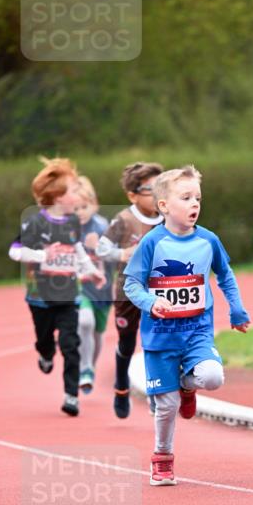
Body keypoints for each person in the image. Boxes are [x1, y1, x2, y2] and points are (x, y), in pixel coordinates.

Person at [123, 166, 250, 486]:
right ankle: (162, 458)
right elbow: (131, 285)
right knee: (165, 406)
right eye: (186, 197)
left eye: (198, 198)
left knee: (212, 377)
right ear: (164, 205)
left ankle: (188, 385)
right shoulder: (152, 243)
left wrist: (236, 309)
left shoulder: (208, 240)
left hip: (196, 331)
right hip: (160, 336)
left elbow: (225, 275)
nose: (195, 204)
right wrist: (152, 302)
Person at [8, 157, 103, 416]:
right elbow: (15, 251)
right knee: (45, 340)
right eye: (73, 190)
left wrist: (92, 271)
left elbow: (78, 249)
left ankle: (71, 395)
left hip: (68, 295)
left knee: (70, 344)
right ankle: (45, 353)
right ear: (58, 196)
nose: (77, 194)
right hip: (40, 297)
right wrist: (41, 256)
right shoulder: (35, 222)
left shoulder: (73, 222)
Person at [96, 161, 164, 418]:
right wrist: (123, 253)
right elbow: (101, 248)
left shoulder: (168, 218)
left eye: (161, 186)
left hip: (160, 291)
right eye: (150, 188)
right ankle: (121, 386)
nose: (157, 194)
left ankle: (157, 393)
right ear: (132, 195)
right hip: (127, 291)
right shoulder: (124, 219)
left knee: (156, 342)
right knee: (127, 341)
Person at [75, 176, 114, 393]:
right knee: (85, 322)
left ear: (95, 204)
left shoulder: (103, 226)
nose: (79, 212)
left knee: (98, 333)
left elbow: (115, 256)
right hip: (78, 287)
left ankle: (90, 365)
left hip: (101, 288)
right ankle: (85, 367)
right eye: (75, 208)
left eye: (84, 207)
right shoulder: (67, 228)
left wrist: (98, 246)